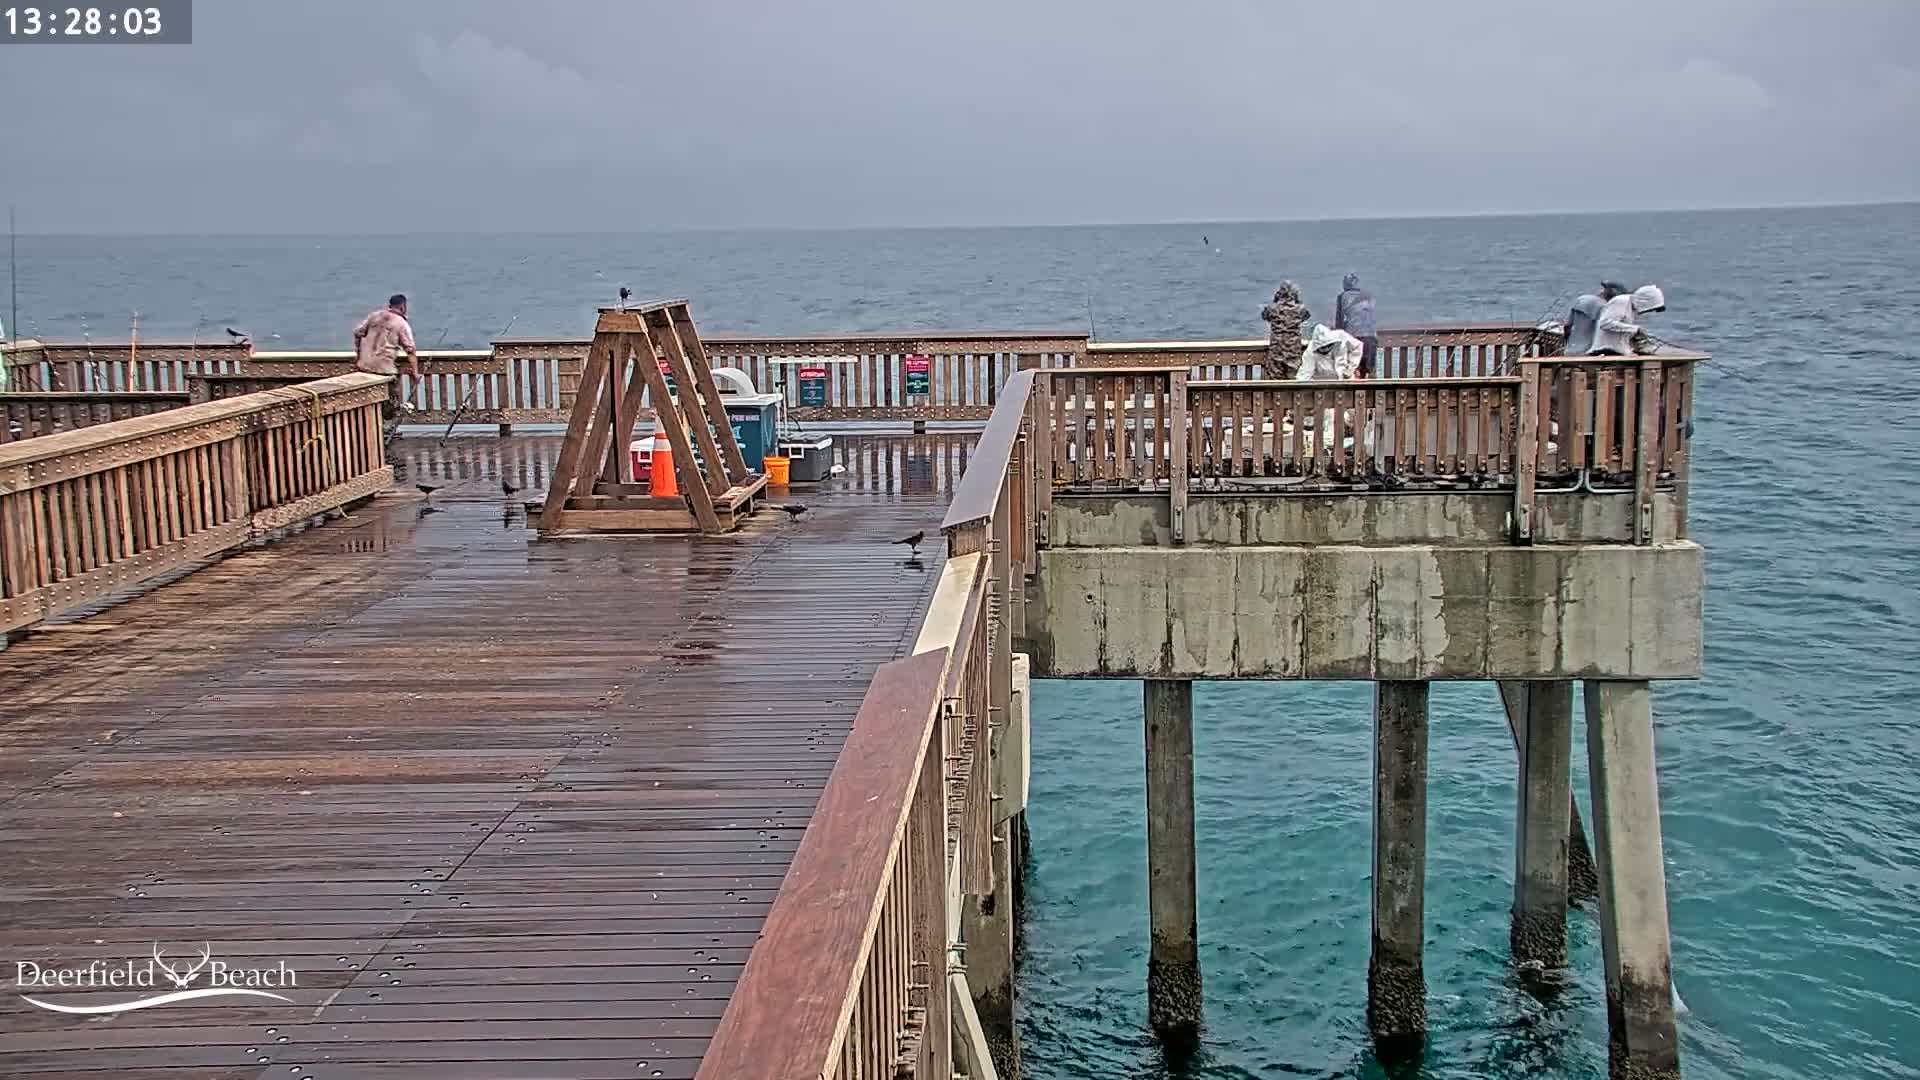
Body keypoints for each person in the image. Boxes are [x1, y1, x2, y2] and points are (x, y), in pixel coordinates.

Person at [352, 294, 419, 449]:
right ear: (403, 307)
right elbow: (410, 349)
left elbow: (358, 333)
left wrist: (358, 354)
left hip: (364, 367)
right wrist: (415, 373)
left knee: (367, 401)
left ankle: (370, 429)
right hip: (384, 369)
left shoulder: (374, 316)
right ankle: (385, 430)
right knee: (389, 403)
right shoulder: (401, 323)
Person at [1589, 285, 1665, 356]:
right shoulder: (1621, 301)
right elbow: (1605, 323)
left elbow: (1623, 330)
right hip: (1605, 349)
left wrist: (1638, 335)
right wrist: (1635, 329)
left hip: (1619, 350)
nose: (1649, 311)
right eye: (1650, 309)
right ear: (1645, 302)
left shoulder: (1632, 307)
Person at [1260, 282, 1310, 378]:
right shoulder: (1300, 309)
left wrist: (1275, 301)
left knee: (1275, 379)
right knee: (1294, 379)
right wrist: (1298, 301)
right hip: (1293, 350)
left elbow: (1264, 316)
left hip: (1276, 349)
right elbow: (1306, 315)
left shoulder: (1272, 308)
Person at [1561, 281, 1626, 356]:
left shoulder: (1581, 299)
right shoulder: (1605, 307)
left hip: (1570, 351)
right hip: (1588, 354)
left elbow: (1567, 326)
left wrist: (1568, 342)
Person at [1333, 273, 1378, 376]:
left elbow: (1339, 321)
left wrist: (1337, 336)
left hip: (1353, 337)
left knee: (1353, 369)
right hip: (1371, 336)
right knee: (1368, 370)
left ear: (1345, 285)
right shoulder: (1368, 296)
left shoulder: (1342, 297)